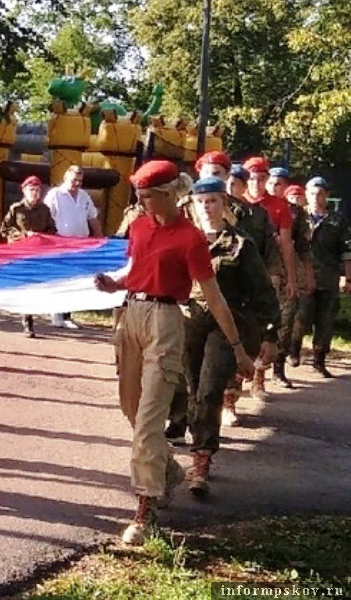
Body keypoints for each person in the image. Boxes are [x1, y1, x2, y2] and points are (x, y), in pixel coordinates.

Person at [94, 160, 254, 545]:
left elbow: (213, 297)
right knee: (131, 410)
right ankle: (168, 470)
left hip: (166, 322)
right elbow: (135, 269)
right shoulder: (138, 226)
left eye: (149, 197)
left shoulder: (190, 238)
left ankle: (145, 511)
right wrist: (114, 284)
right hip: (130, 316)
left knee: (150, 422)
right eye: (140, 197)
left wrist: (239, 350)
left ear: (169, 194)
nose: (142, 203)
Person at [176, 177, 280, 497]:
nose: (207, 207)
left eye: (213, 201)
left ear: (224, 204)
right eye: (201, 201)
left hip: (228, 325)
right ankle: (197, 445)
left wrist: (271, 334)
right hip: (189, 323)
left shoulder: (240, 244)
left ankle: (202, 459)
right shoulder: (183, 239)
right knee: (191, 388)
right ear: (193, 205)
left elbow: (262, 291)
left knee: (209, 388)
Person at [242, 156, 296, 402]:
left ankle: (259, 379)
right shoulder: (237, 203)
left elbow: (286, 244)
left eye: (262, 178)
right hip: (239, 273)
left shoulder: (278, 206)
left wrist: (291, 278)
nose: (257, 182)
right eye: (252, 178)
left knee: (268, 324)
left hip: (267, 273)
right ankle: (232, 386)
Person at [297, 177, 351, 377]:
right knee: (300, 317)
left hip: (328, 276)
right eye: (312, 193)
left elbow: (346, 250)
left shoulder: (337, 220)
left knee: (326, 320)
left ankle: (319, 359)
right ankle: (293, 349)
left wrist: (348, 277)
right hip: (303, 276)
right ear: (306, 194)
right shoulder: (298, 217)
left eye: (320, 193)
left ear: (327, 195)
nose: (316, 197)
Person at [44, 165, 102, 329]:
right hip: (60, 242)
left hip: (81, 244)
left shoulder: (84, 196)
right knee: (60, 278)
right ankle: (56, 313)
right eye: (74, 180)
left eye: (80, 181)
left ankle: (68, 314)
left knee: (74, 280)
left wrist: (99, 238)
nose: (77, 183)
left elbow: (93, 217)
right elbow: (46, 217)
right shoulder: (54, 194)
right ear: (65, 177)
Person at [0, 175, 57, 337]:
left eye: (37, 190)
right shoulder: (16, 209)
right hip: (20, 253)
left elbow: (52, 230)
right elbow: (5, 229)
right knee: (23, 285)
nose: (35, 193)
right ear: (24, 191)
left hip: (38, 254)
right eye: (31, 190)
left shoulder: (45, 210)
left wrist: (41, 237)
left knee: (34, 286)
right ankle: (24, 317)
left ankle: (29, 318)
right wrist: (23, 235)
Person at [271, 181, 314, 384]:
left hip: (287, 269)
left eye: (278, 184)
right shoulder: (251, 207)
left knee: (286, 320)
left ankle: (278, 367)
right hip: (260, 269)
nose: (273, 187)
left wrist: (306, 274)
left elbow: (303, 246)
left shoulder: (294, 213)